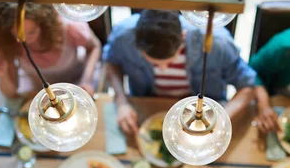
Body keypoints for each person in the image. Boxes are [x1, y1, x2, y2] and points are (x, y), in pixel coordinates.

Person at [103, 9, 258, 134]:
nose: (163, 69)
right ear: (136, 42)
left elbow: (248, 85)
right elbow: (111, 62)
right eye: (153, 63)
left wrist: (221, 120)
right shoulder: (123, 36)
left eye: (170, 61)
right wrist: (121, 102)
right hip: (147, 110)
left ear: (183, 35)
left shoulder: (217, 43)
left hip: (202, 115)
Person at [0, 0, 101, 98]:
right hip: (39, 91)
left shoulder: (68, 28)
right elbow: (11, 94)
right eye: (19, 35)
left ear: (43, 24)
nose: (26, 39)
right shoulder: (11, 44)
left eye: (32, 32)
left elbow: (95, 46)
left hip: (77, 83)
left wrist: (86, 80)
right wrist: (3, 75)